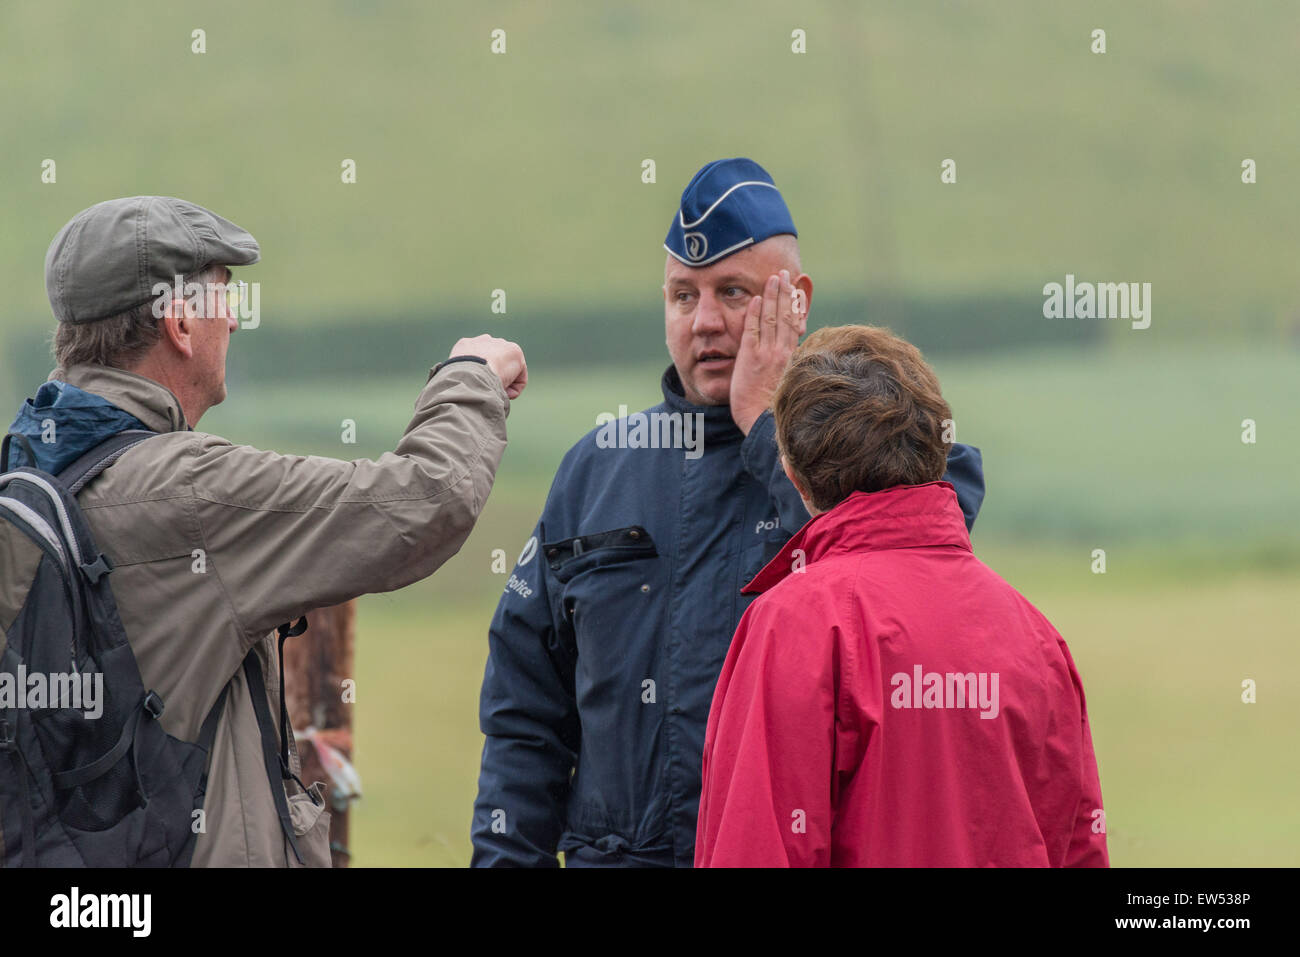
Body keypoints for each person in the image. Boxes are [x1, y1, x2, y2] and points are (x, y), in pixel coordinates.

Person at [470, 158, 986, 867]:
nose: (705, 322)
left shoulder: (911, 457)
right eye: (683, 295)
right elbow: (524, 719)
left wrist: (769, 424)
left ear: (796, 301)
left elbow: (895, 594)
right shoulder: (596, 470)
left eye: (733, 292)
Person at [2, 195, 526, 866]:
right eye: (225, 295)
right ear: (180, 322)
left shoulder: (28, 472)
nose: (236, 323)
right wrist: (470, 379)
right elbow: (420, 502)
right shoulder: (189, 492)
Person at [695, 325, 1107, 867]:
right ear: (940, 457)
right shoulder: (1036, 637)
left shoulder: (791, 624)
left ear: (793, 476)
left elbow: (753, 849)